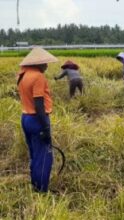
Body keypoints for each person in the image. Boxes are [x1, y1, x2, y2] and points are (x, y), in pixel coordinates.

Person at [17, 47, 58, 192]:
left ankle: (35, 185)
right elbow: (39, 103)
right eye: (45, 63)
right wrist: (46, 127)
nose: (46, 65)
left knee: (35, 153)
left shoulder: (23, 75)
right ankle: (41, 191)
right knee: (45, 156)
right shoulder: (38, 77)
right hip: (37, 119)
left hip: (26, 118)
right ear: (37, 63)